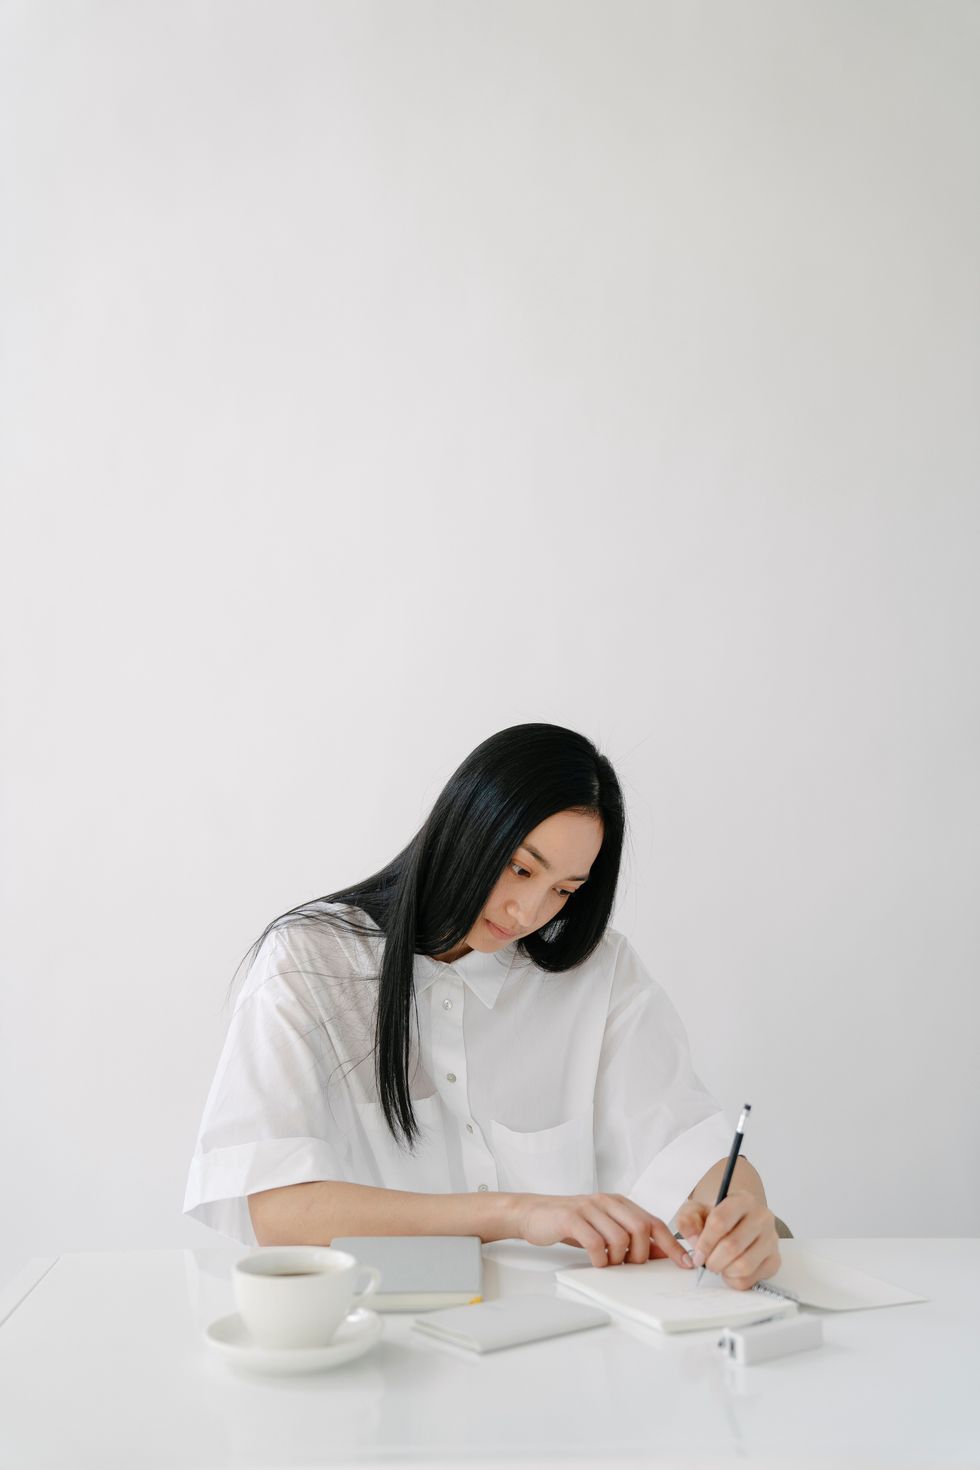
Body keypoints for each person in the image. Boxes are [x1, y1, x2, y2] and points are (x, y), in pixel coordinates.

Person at [183, 723, 781, 1289]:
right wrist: (517, 1214)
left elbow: (689, 1143)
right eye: (521, 868)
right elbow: (284, 1213)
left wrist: (742, 1211)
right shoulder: (313, 962)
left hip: (568, 1345)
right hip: (387, 1347)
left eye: (563, 891)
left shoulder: (600, 974)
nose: (529, 911)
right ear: (468, 828)